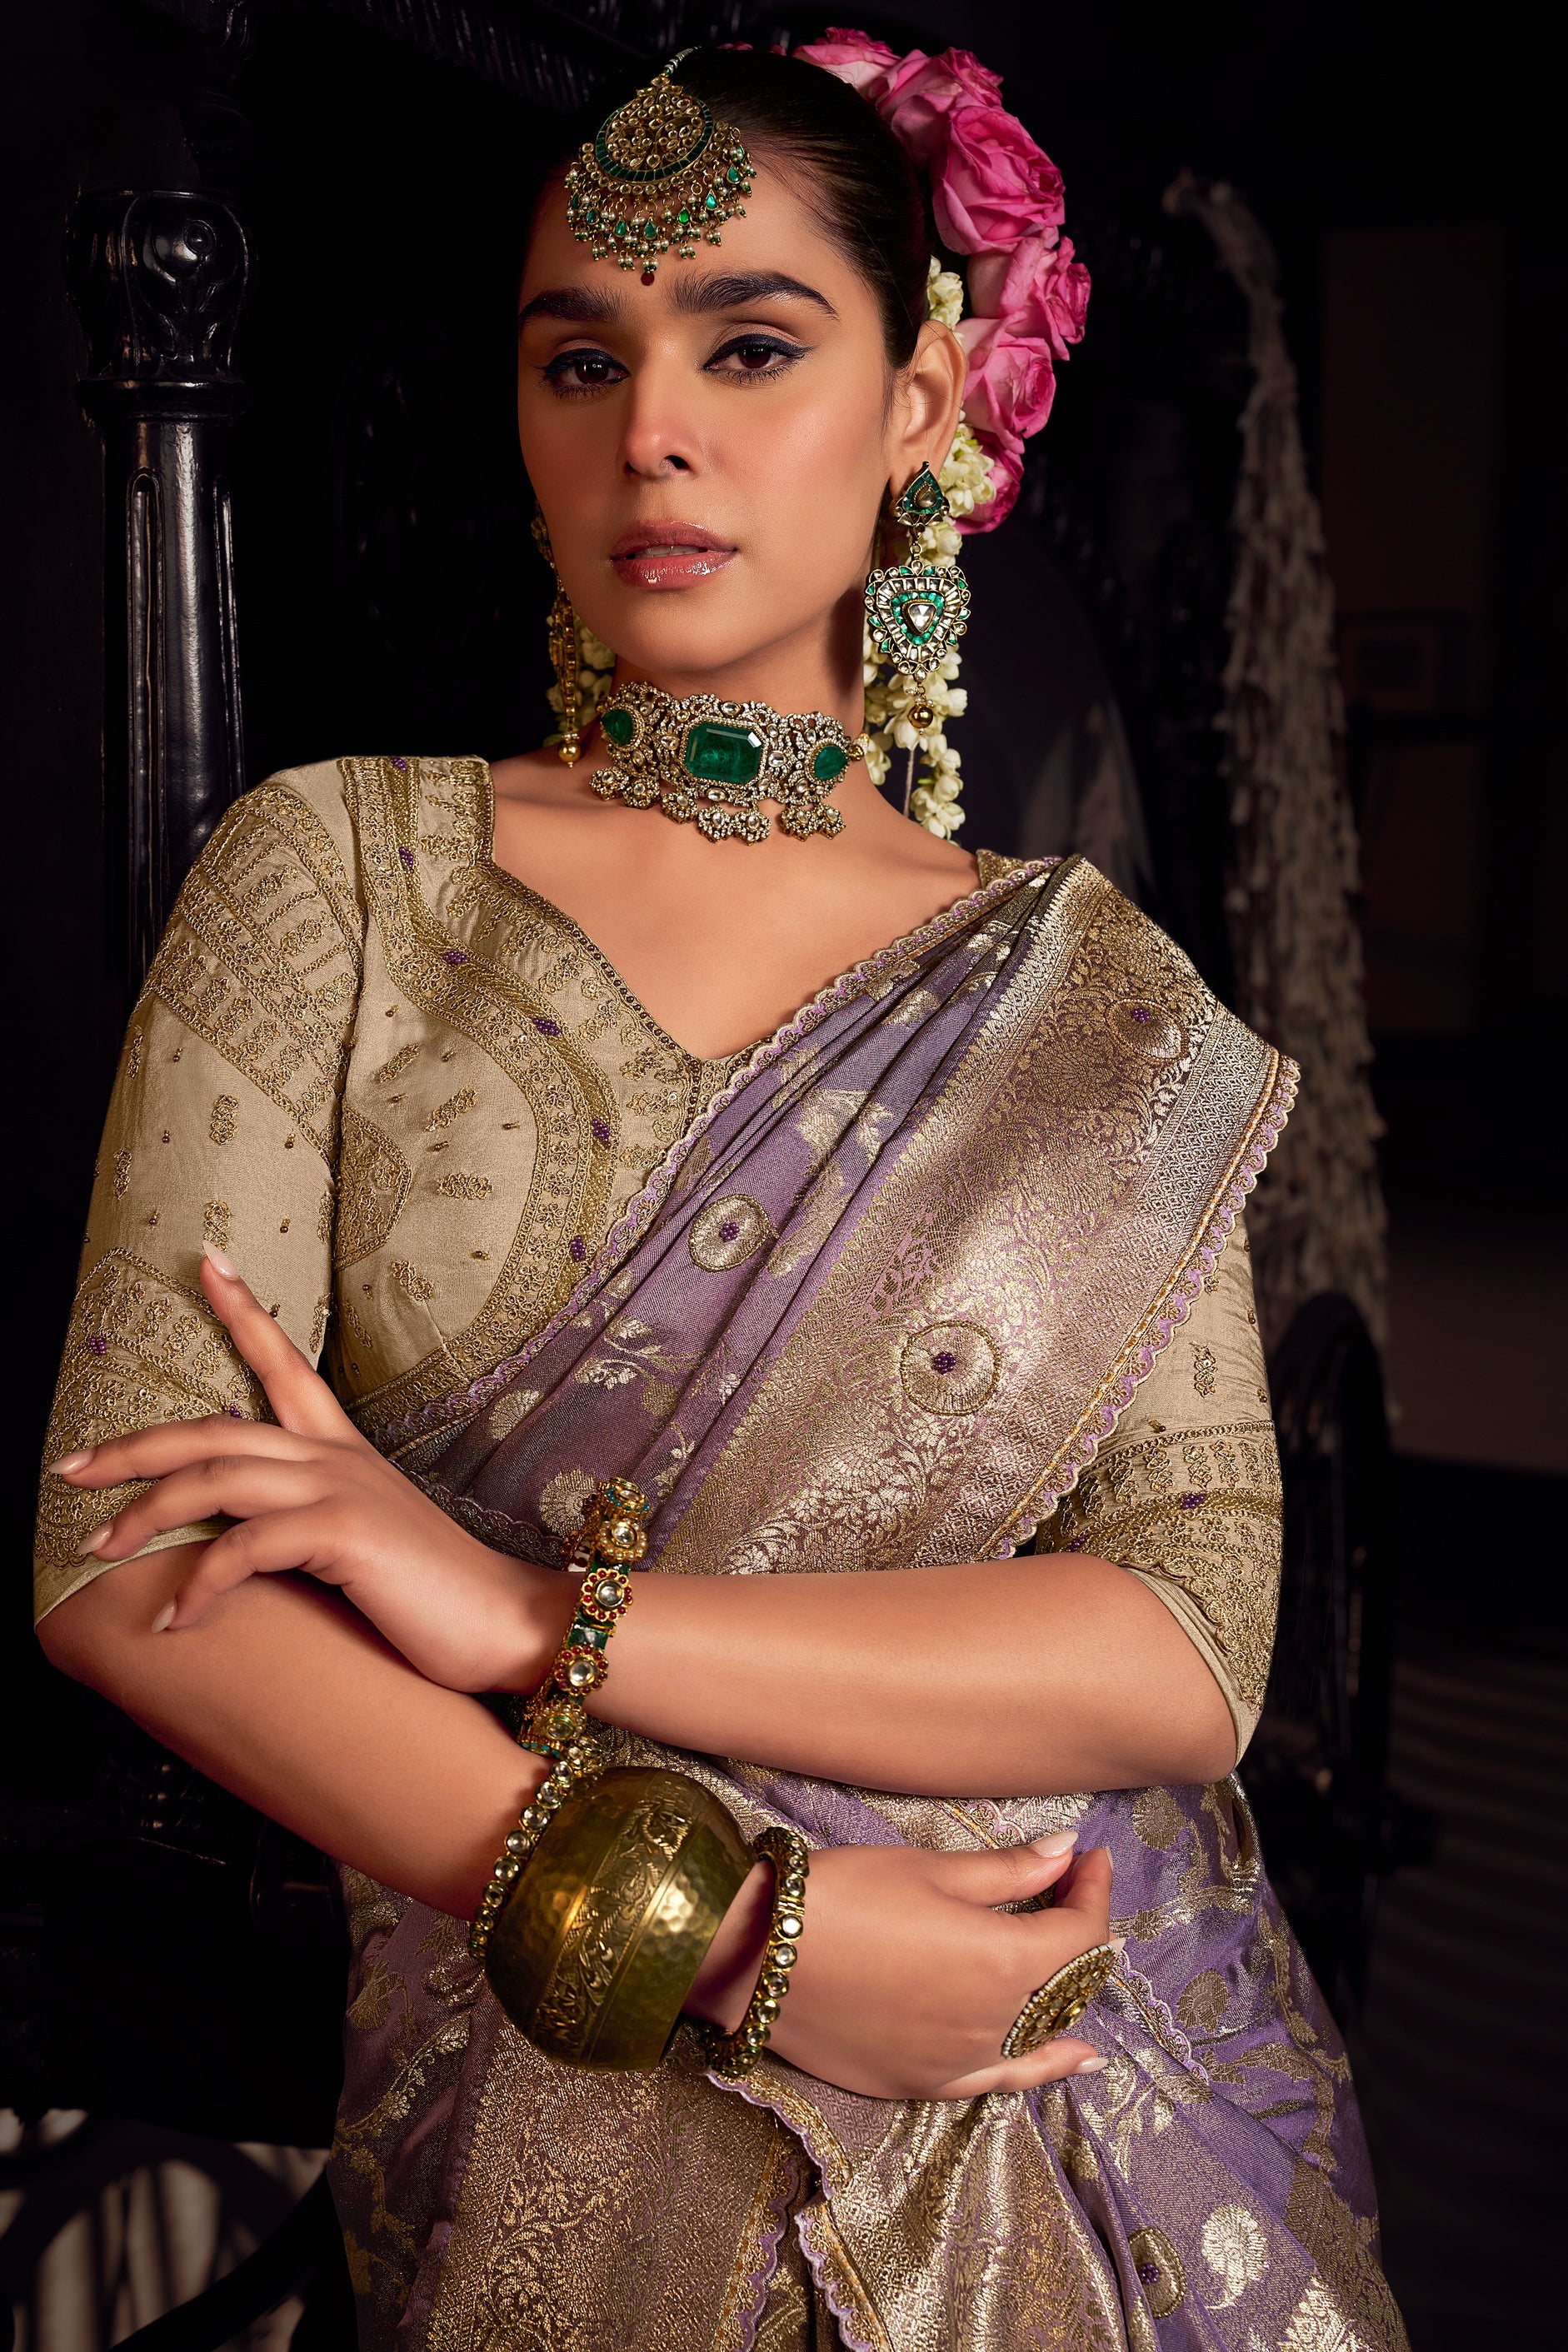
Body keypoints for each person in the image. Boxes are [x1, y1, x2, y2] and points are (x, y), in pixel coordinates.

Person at [32, 41, 1408, 2352]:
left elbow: (1186, 1646)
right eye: (582, 360)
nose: (651, 429)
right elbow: (127, 1553)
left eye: (751, 347)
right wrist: (734, 1936)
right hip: (550, 2057)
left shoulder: (1100, 1001)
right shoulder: (341, 876)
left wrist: (527, 1620)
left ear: (919, 399)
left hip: (1073, 2055)